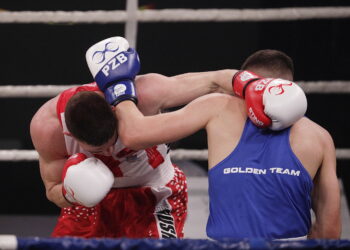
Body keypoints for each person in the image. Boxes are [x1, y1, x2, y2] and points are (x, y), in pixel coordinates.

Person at [30, 37, 300, 238]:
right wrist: (71, 192)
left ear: (115, 110)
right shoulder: (47, 128)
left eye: (113, 137)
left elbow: (215, 80)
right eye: (99, 148)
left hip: (156, 193)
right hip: (90, 206)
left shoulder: (145, 93)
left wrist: (253, 85)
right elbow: (52, 191)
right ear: (71, 134)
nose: (111, 148)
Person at [99, 47, 341, 240]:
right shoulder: (319, 137)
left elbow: (134, 134)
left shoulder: (219, 107)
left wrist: (119, 89)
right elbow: (329, 232)